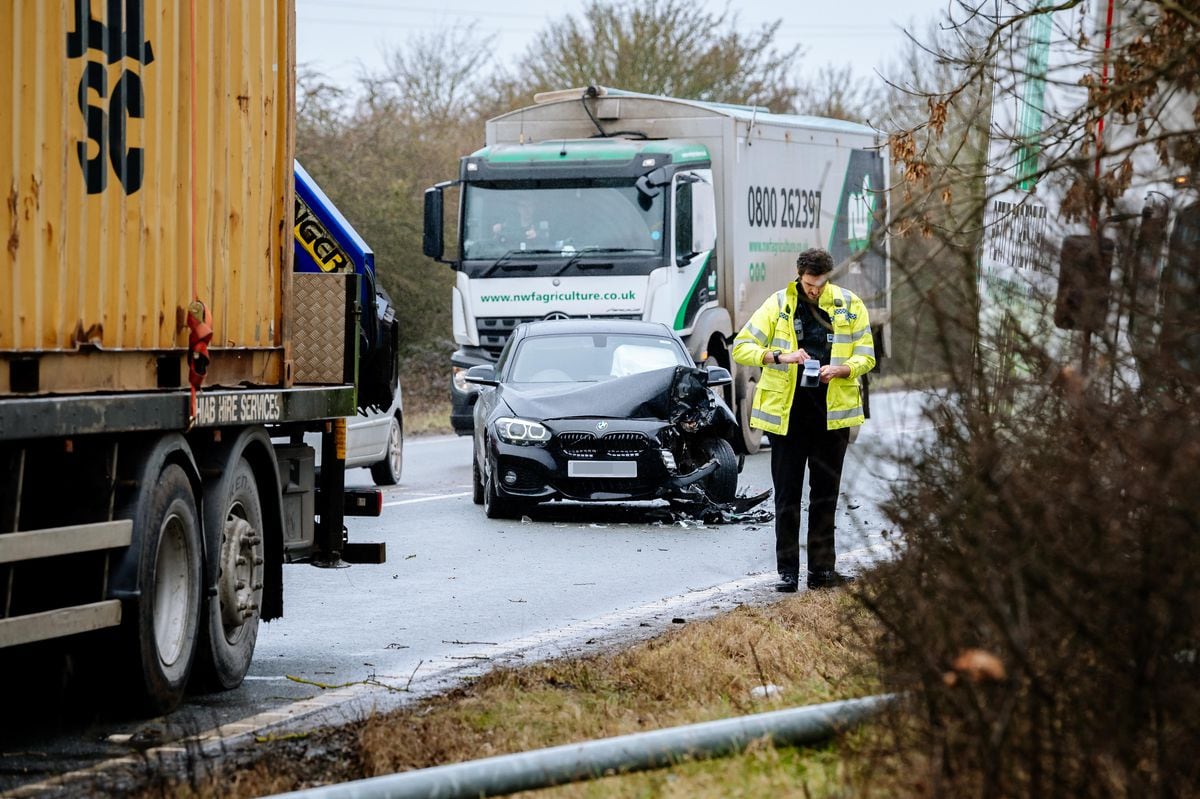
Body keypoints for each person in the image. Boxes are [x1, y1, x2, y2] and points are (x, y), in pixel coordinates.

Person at [732, 248, 876, 592]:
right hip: (789, 419)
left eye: (820, 284)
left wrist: (843, 369)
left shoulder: (849, 304)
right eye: (809, 284)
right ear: (800, 275)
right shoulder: (779, 304)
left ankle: (822, 572)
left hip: (832, 417)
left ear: (830, 276)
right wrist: (781, 356)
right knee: (787, 498)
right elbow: (741, 346)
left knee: (825, 497)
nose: (814, 290)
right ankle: (787, 573)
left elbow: (867, 353)